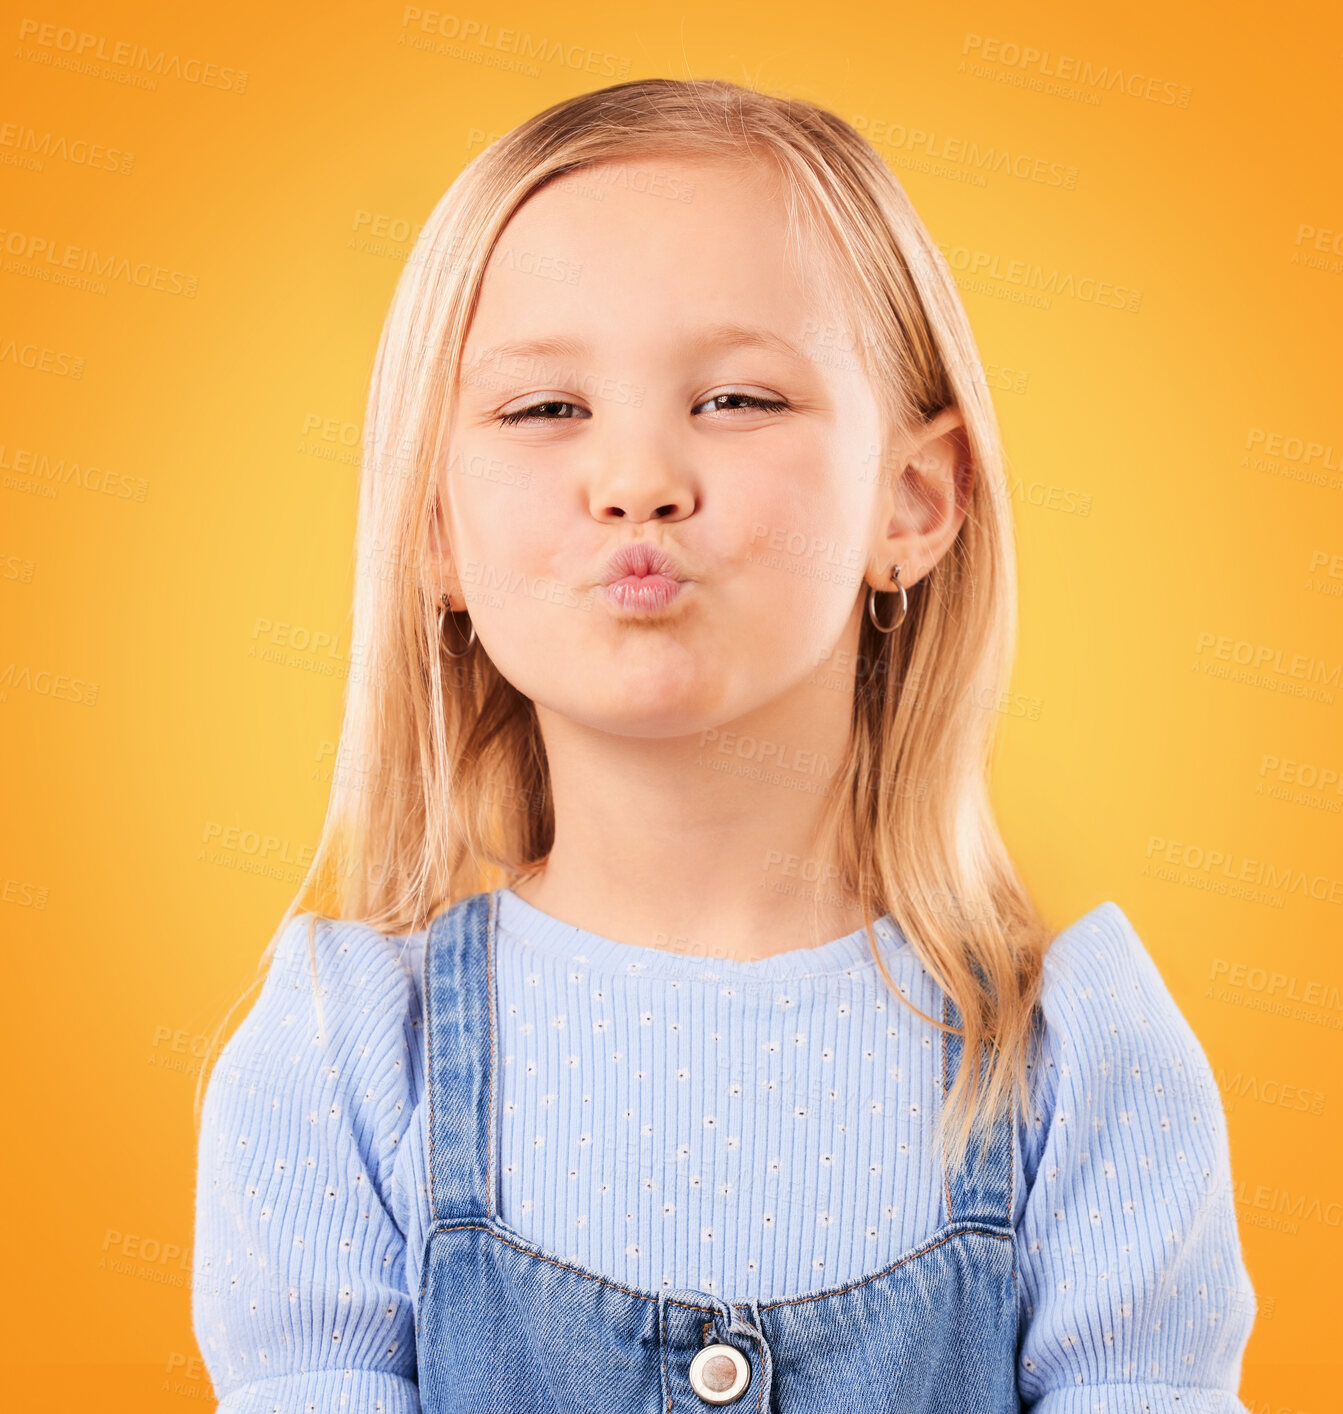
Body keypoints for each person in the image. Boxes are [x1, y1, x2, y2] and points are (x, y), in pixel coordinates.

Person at [191, 77, 1258, 1412]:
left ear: (913, 500)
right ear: (435, 530)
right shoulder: (342, 1060)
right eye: (544, 410)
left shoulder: (1078, 1065)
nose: (636, 476)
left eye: (738, 399)